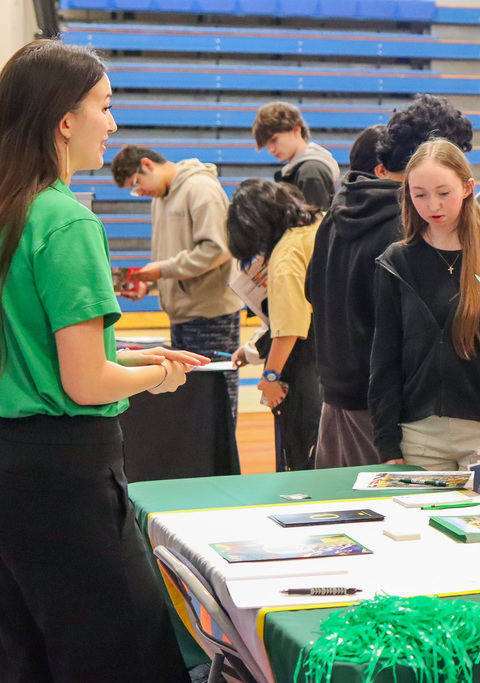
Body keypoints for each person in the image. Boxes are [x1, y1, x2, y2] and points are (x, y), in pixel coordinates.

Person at [0, 40, 207, 683]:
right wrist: (160, 375)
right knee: (122, 653)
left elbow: (28, 341)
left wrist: (131, 352)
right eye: (104, 107)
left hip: (10, 468)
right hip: (63, 476)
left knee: (27, 649)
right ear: (66, 119)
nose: (112, 124)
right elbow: (86, 382)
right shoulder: (64, 220)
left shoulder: (11, 209)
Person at [309, 95, 475, 469]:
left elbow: (311, 291)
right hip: (384, 407)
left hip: (334, 393)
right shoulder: (409, 227)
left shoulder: (336, 211)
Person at [368, 138, 480, 473]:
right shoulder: (396, 262)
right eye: (420, 194)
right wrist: (386, 439)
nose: (433, 205)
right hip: (418, 437)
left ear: (467, 187)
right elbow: (384, 357)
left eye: (443, 193)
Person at [110, 144, 243, 413]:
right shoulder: (160, 199)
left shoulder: (200, 188)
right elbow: (173, 259)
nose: (140, 192)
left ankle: (220, 457)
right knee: (190, 405)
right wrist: (150, 284)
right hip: (182, 315)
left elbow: (216, 250)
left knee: (215, 405)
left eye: (136, 183)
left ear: (148, 164)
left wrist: (162, 270)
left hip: (210, 315)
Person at [228, 179, 322, 471]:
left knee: (301, 457)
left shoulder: (286, 256)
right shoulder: (317, 226)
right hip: (337, 360)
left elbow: (290, 327)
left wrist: (269, 378)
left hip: (307, 371)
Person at [252, 101, 341, 210]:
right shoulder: (300, 170)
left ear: (296, 130)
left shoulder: (310, 172)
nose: (270, 150)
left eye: (274, 140)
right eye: (266, 144)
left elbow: (316, 224)